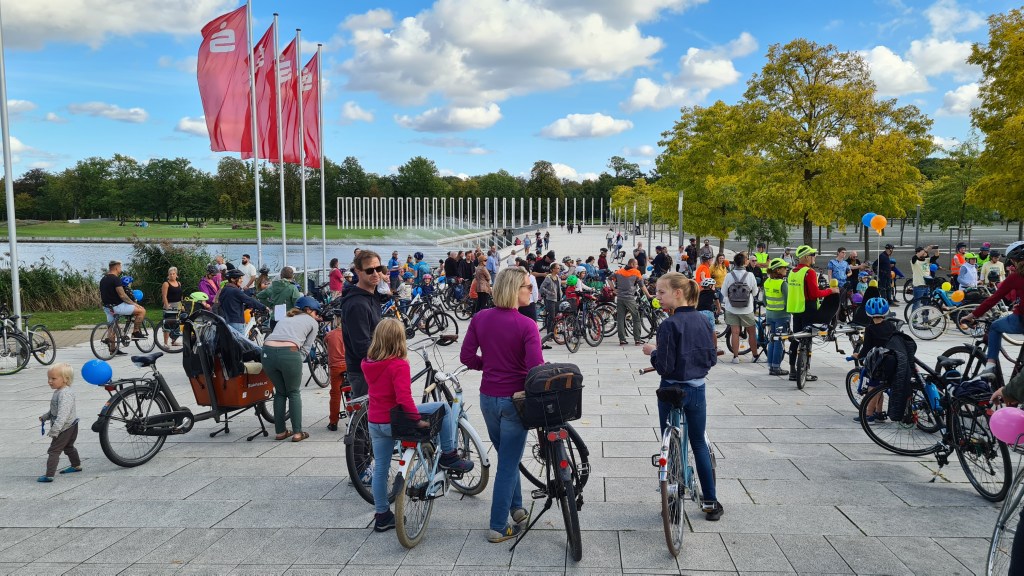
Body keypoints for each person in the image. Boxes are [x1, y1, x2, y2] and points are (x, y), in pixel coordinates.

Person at [364, 318, 474, 532]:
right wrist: (417, 419)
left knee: (381, 470)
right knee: (442, 406)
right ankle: (449, 456)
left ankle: (382, 515)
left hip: (375, 421)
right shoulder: (398, 365)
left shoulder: (368, 362)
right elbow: (404, 400)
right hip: (396, 419)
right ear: (399, 340)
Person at [460, 267, 544, 542]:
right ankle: (498, 525)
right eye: (527, 287)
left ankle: (517, 508)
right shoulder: (527, 324)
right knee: (508, 462)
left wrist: (489, 364)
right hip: (514, 401)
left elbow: (466, 357)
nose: (531, 291)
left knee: (508, 455)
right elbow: (535, 368)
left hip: (488, 399)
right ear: (513, 290)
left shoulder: (480, 318)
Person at [641, 273, 722, 521]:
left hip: (670, 390)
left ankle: (673, 498)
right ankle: (710, 501)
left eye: (661, 292)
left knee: (670, 438)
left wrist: (653, 352)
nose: (657, 297)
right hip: (697, 389)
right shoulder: (705, 321)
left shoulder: (668, 325)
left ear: (678, 293)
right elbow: (711, 358)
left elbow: (664, 366)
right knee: (698, 442)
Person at [262, 295, 321, 442]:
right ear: (308, 310)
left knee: (280, 392)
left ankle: (280, 432)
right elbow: (306, 348)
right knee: (293, 392)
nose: (317, 315)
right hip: (289, 353)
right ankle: (297, 433)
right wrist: (296, 363)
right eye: (316, 312)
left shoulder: (286, 318)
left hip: (266, 352)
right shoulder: (312, 322)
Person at [965, 242, 1024, 375]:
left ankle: (990, 366)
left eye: (1013, 261)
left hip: (1021, 320)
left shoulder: (1015, 277)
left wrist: (973, 315)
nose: (1012, 264)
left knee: (995, 327)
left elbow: (994, 298)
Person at [786, 245, 840, 382]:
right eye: (813, 255)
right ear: (806, 257)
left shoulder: (792, 272)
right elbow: (815, 294)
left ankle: (792, 370)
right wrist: (830, 291)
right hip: (808, 309)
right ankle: (806, 371)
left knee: (796, 338)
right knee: (807, 339)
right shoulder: (808, 272)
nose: (814, 257)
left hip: (795, 309)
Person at [341, 250, 384, 398]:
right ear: (358, 271)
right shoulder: (357, 304)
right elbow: (362, 346)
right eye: (369, 270)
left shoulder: (371, 296)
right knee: (369, 419)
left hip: (373, 367)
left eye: (378, 269)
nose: (376, 273)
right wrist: (390, 358)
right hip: (363, 372)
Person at [850, 298, 897, 423]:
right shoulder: (891, 325)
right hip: (894, 359)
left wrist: (858, 355)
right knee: (881, 386)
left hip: (880, 363)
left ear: (868, 313)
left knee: (873, 386)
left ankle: (868, 414)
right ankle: (879, 413)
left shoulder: (870, 329)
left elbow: (866, 348)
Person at [37, 363, 81, 482]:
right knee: (68, 447)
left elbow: (62, 415)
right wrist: (45, 416)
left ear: (66, 379)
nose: (49, 381)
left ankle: (49, 475)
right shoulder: (59, 391)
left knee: (53, 450)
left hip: (64, 428)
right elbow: (54, 409)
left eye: (53, 378)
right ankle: (76, 465)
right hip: (71, 425)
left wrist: (55, 430)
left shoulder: (65, 394)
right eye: (49, 378)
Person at [722, 253, 759, 363]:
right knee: (751, 332)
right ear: (744, 262)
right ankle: (754, 355)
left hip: (732, 308)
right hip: (747, 309)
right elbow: (755, 292)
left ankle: (736, 357)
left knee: (735, 332)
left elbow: (724, 292)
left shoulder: (729, 275)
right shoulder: (750, 275)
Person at [99, 260, 147, 343]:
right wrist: (134, 304)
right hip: (117, 307)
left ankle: (113, 349)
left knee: (112, 326)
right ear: (117, 268)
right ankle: (135, 332)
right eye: (120, 267)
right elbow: (122, 295)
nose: (121, 269)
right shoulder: (116, 279)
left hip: (107, 307)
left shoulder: (103, 279)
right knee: (142, 311)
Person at [217, 269, 269, 334]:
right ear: (233, 279)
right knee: (241, 343)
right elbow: (250, 300)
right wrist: (264, 307)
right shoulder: (235, 291)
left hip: (226, 321)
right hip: (236, 323)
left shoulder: (225, 289)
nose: (242, 280)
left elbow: (230, 302)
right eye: (240, 278)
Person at [613, 259, 651, 346]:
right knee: (636, 318)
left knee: (620, 319)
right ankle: (637, 340)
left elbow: (609, 279)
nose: (637, 266)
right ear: (632, 264)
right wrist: (648, 295)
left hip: (620, 298)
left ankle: (622, 340)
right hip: (630, 298)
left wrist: (614, 289)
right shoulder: (636, 272)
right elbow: (642, 285)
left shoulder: (619, 271)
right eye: (636, 264)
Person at [763, 259, 791, 376]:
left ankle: (771, 366)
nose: (786, 269)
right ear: (778, 270)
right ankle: (776, 367)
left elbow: (764, 300)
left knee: (772, 341)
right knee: (779, 341)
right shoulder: (782, 284)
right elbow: (788, 301)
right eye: (784, 267)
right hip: (782, 316)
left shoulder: (767, 282)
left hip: (770, 315)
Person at [256, 267, 302, 331]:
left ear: (281, 275)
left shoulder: (273, 286)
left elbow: (260, 296)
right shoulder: (293, 288)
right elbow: (297, 304)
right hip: (288, 318)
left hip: (275, 318)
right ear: (292, 276)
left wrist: (271, 305)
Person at [324, 324, 346, 432]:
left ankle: (333, 422)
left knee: (335, 393)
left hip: (336, 367)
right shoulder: (350, 333)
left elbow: (325, 342)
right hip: (349, 365)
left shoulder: (330, 334)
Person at [160, 267, 183, 348]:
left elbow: (180, 295)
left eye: (173, 274)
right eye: (170, 274)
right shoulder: (166, 284)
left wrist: (182, 305)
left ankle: (174, 341)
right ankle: (165, 343)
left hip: (178, 305)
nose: (172, 275)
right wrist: (166, 306)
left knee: (176, 324)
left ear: (176, 275)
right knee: (167, 324)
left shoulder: (179, 283)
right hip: (169, 305)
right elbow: (164, 296)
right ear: (168, 275)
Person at [540, 263, 562, 338]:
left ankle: (553, 333)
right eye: (557, 268)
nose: (558, 269)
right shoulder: (548, 278)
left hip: (558, 299)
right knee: (551, 317)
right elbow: (542, 288)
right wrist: (549, 292)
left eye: (559, 268)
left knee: (555, 317)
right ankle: (549, 334)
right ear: (552, 269)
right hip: (550, 300)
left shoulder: (558, 278)